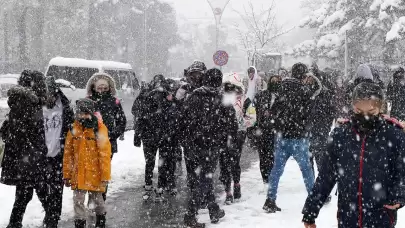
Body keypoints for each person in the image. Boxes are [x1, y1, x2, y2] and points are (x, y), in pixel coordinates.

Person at [302, 82, 405, 228]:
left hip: (381, 216)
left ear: (381, 108)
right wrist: (310, 211)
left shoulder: (394, 135)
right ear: (352, 107)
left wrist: (399, 195)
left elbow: (402, 171)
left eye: (371, 112)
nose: (365, 117)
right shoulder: (340, 135)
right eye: (358, 111)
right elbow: (326, 176)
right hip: (348, 216)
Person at [182, 68, 238, 227]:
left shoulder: (193, 96)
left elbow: (183, 121)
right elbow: (232, 124)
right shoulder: (221, 98)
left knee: (203, 177)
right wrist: (229, 140)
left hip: (194, 145)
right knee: (205, 179)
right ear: (219, 81)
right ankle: (190, 215)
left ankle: (213, 210)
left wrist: (187, 142)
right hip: (212, 145)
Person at [263, 63, 321, 213]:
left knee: (276, 170)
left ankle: (270, 200)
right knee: (306, 170)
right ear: (303, 75)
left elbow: (273, 110)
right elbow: (310, 114)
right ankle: (312, 201)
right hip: (299, 138)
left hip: (282, 136)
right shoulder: (305, 91)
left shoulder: (281, 88)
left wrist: (279, 125)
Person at [0, 70, 50, 228]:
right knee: (37, 190)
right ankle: (51, 218)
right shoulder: (27, 102)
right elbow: (19, 131)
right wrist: (33, 152)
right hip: (28, 158)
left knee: (26, 192)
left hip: (25, 157)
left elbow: (10, 129)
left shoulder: (23, 100)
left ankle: (16, 223)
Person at [63, 98, 111, 228]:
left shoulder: (99, 129)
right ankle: (80, 223)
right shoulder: (73, 128)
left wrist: (105, 176)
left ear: (91, 112)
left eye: (85, 113)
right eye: (79, 113)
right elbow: (68, 154)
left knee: (98, 201)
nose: (82, 116)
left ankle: (101, 222)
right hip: (78, 174)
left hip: (95, 174)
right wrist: (67, 174)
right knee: (78, 201)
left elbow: (105, 155)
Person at [135, 75, 180, 201]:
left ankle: (151, 186)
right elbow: (175, 118)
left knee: (153, 162)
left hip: (155, 136)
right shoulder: (165, 99)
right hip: (161, 136)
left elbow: (140, 116)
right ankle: (157, 187)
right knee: (160, 163)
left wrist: (138, 134)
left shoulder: (149, 98)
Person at [86, 72, 126, 200]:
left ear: (109, 87)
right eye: (99, 88)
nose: (102, 90)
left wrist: (112, 135)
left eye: (105, 88)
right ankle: (92, 197)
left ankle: (101, 198)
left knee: (104, 171)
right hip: (90, 142)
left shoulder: (115, 102)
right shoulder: (88, 102)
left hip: (108, 143)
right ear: (94, 87)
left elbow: (121, 122)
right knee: (91, 171)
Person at [42, 76, 74, 227]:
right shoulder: (36, 107)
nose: (48, 98)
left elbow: (71, 129)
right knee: (41, 188)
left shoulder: (65, 107)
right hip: (40, 155)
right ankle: (49, 212)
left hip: (59, 155)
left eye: (51, 94)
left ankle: (52, 219)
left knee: (56, 189)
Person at [220, 72, 254, 204]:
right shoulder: (221, 99)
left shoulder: (246, 100)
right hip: (223, 135)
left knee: (234, 162)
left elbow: (252, 118)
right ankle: (228, 191)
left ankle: (236, 184)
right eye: (227, 86)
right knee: (223, 163)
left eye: (232, 86)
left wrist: (241, 127)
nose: (230, 89)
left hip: (238, 135)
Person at [254, 75, 282, 184]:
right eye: (273, 81)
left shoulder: (282, 97)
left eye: (277, 81)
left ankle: (270, 176)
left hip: (275, 130)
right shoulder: (261, 94)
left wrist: (273, 115)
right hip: (262, 129)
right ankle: (265, 177)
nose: (275, 83)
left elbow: (283, 113)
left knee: (272, 154)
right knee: (263, 154)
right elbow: (255, 109)